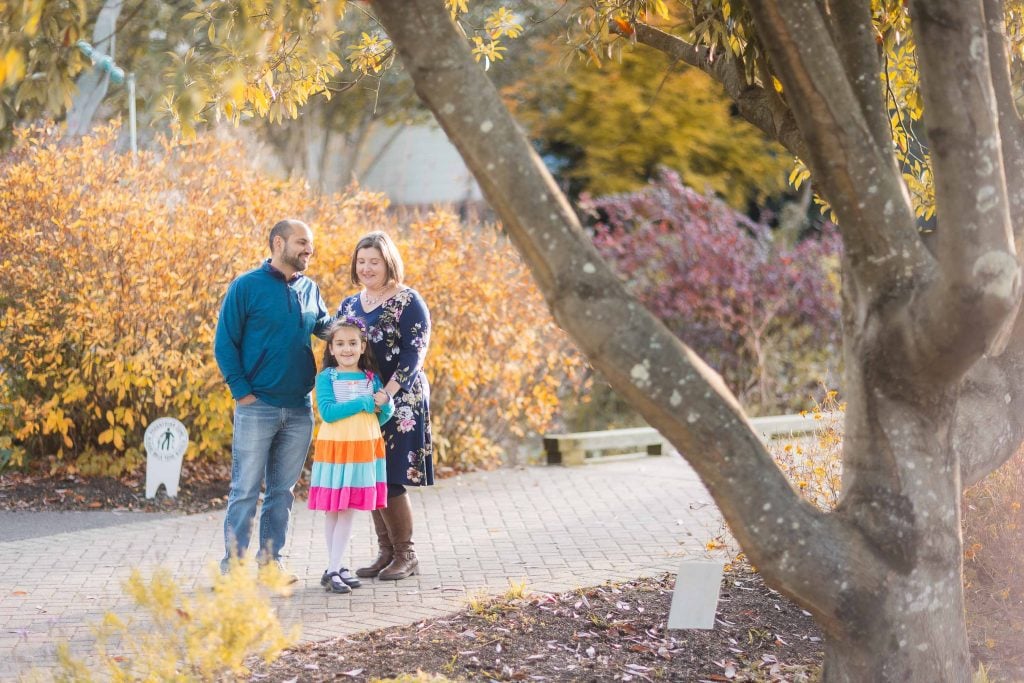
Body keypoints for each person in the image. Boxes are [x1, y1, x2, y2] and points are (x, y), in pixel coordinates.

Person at [214, 218, 333, 579]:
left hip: (300, 407)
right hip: (257, 407)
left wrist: (359, 328)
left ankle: (271, 564)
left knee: (282, 492)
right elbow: (224, 343)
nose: (308, 250)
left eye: (309, 244)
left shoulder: (310, 289)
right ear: (278, 243)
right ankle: (232, 569)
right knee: (246, 490)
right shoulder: (246, 287)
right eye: (301, 242)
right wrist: (242, 393)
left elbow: (328, 328)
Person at [337, 231, 432, 581]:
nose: (366, 268)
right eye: (361, 261)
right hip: (363, 401)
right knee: (372, 475)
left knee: (390, 475)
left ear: (388, 262)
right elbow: (339, 349)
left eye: (373, 261)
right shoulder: (348, 305)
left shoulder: (408, 301)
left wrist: (388, 393)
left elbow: (414, 353)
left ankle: (407, 554)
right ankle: (386, 552)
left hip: (400, 400)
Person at [309, 318, 394, 594]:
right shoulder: (327, 378)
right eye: (340, 344)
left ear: (362, 346)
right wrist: (365, 403)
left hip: (361, 449)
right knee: (335, 508)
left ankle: (335, 567)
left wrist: (386, 405)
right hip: (336, 448)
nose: (347, 349)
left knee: (347, 508)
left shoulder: (371, 378)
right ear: (331, 349)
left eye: (352, 343)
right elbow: (329, 412)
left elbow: (379, 416)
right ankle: (335, 567)